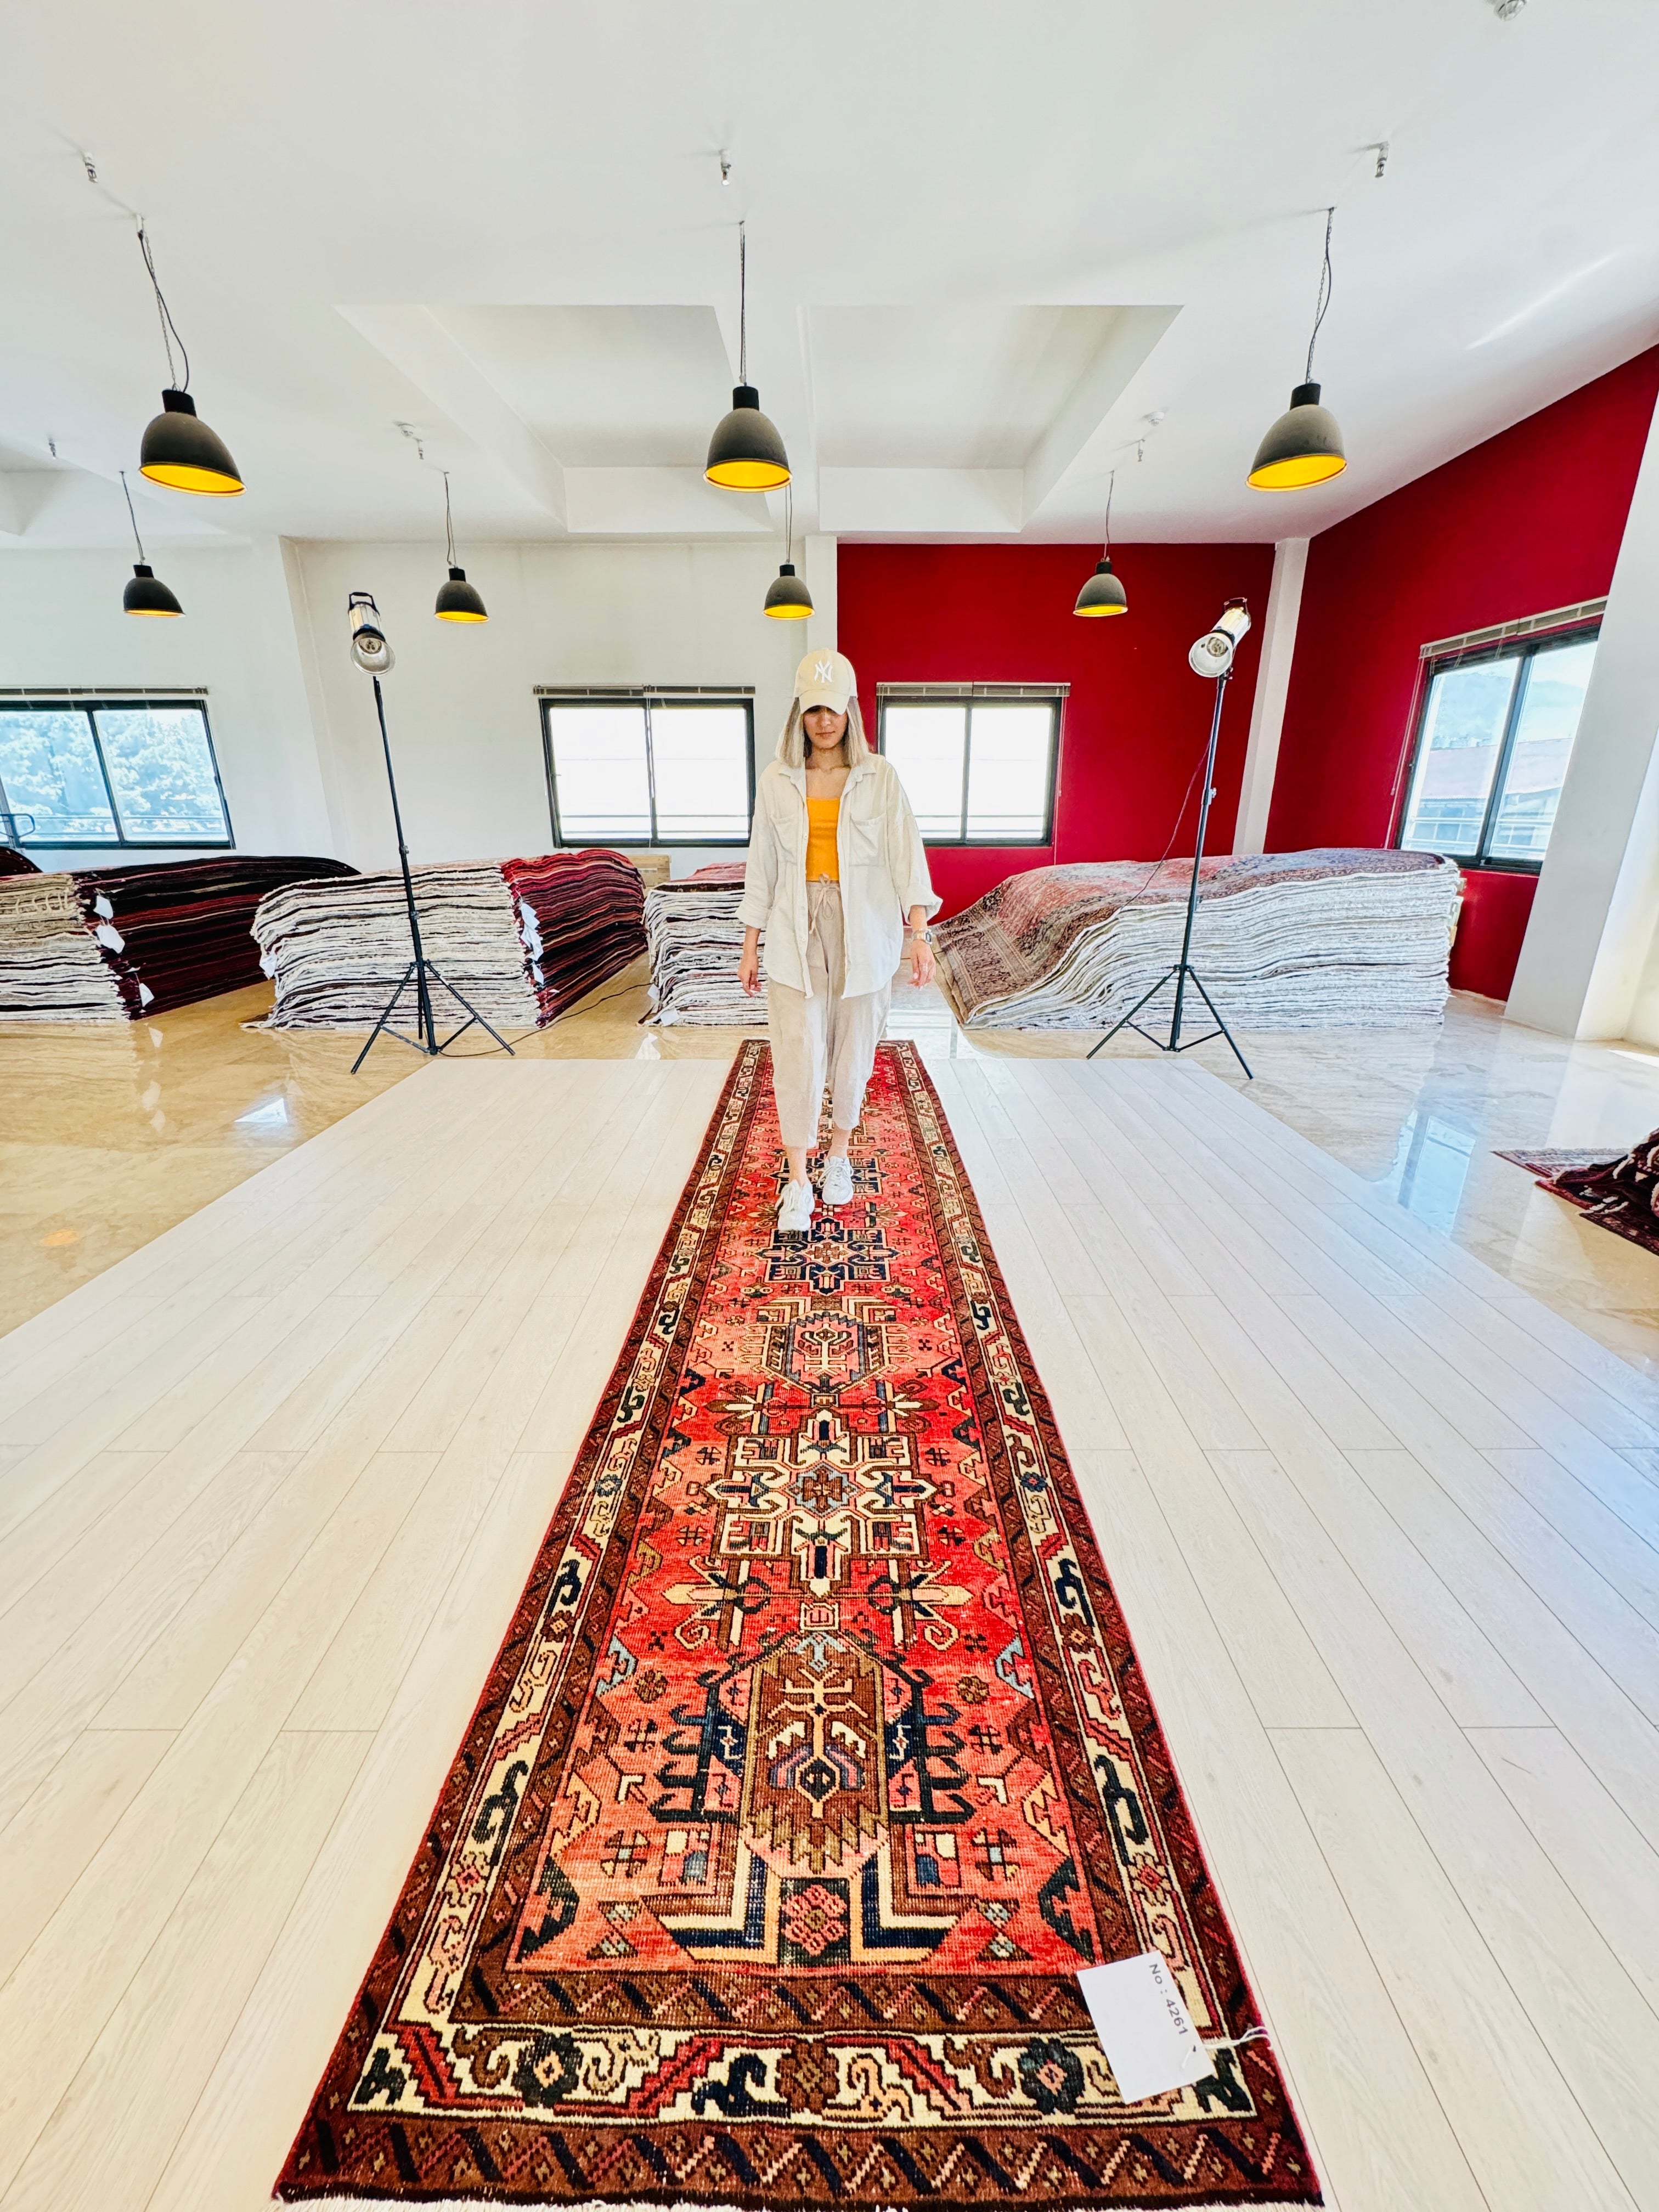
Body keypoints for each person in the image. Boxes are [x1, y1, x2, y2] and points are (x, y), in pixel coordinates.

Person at [738, 648, 939, 1233]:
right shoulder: (778, 781)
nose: (825, 721)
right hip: (794, 923)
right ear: (799, 713)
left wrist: (920, 936)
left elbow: (908, 859)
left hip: (866, 928)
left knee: (854, 1047)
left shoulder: (880, 778)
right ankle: (799, 1179)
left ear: (851, 710)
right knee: (797, 1050)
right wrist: (750, 945)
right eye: (813, 709)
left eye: (835, 709)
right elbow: (762, 866)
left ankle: (839, 1156)